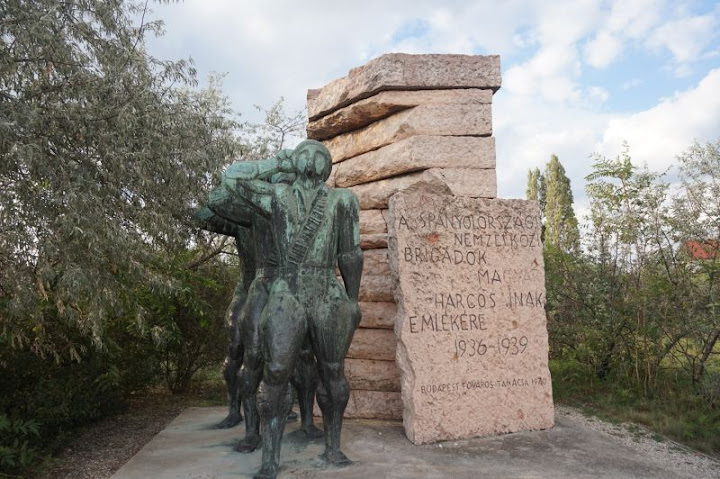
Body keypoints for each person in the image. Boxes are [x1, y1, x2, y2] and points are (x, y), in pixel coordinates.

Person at [221, 140, 363, 479]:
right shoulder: (277, 195)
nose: (313, 158)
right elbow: (232, 179)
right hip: (288, 288)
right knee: (276, 372)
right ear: (295, 161)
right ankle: (270, 457)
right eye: (305, 153)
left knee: (333, 372)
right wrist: (276, 162)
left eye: (320, 155)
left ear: (328, 165)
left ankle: (333, 447)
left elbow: (350, 254)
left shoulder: (343, 199)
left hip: (327, 290)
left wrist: (353, 300)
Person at [207, 157, 323, 454]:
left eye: (288, 179)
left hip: (295, 286)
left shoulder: (306, 207)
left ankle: (307, 420)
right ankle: (251, 430)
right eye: (278, 181)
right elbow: (216, 198)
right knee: (253, 358)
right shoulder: (254, 210)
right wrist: (278, 163)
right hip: (262, 284)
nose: (282, 185)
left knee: (305, 357)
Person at [196, 207, 254, 429]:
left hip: (276, 284)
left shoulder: (282, 213)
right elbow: (201, 217)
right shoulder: (241, 218)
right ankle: (234, 409)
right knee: (234, 347)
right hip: (247, 284)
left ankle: (286, 408)